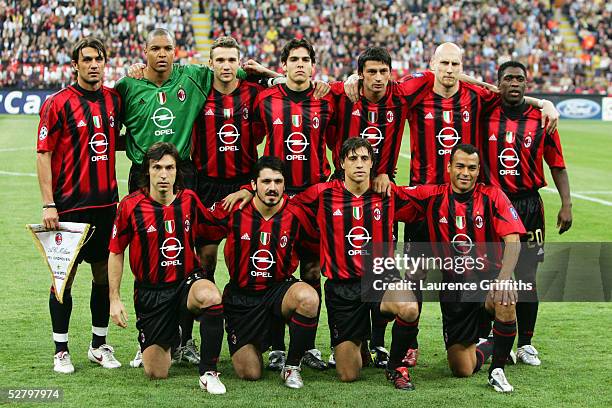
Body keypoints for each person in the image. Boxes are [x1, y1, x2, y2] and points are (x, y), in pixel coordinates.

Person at [327, 46, 435, 367]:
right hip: (344, 191)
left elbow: (447, 74)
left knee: (379, 264)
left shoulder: (401, 94)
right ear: (360, 74)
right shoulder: (344, 94)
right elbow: (301, 84)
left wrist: (539, 101)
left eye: (383, 71)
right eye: (370, 72)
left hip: (382, 192)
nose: (377, 78)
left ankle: (379, 343)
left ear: (391, 73)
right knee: (348, 263)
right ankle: (355, 340)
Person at [289, 138, 423, 390]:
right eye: (352, 159)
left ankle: (395, 367)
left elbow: (428, 199)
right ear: (341, 163)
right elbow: (286, 206)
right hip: (342, 288)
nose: (359, 164)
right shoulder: (323, 194)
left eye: (364, 158)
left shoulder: (387, 193)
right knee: (348, 374)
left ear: (372, 163)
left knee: (408, 306)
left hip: (380, 280)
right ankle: (359, 343)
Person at [396, 143, 526, 393]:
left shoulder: (493, 196)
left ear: (478, 171)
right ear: (449, 168)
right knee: (461, 369)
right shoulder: (432, 196)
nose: (465, 172)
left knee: (506, 297)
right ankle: (494, 344)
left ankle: (497, 369)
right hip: (454, 289)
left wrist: (504, 278)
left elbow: (513, 239)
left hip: (487, 280)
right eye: (460, 166)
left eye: (471, 168)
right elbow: (393, 195)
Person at [108, 142, 226, 394]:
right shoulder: (130, 206)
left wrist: (248, 193)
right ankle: (172, 333)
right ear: (147, 171)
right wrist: (114, 299)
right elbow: (116, 251)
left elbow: (216, 227)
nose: (163, 174)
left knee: (212, 296)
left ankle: (208, 372)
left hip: (186, 283)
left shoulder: (189, 200)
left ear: (177, 171)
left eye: (169, 167)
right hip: (152, 293)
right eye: (157, 167)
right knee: (156, 372)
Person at [36, 37, 122, 374]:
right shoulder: (58, 103)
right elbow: (43, 154)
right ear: (75, 64)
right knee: (64, 278)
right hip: (69, 208)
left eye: (98, 59)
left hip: (106, 206)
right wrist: (48, 204)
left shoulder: (114, 100)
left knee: (103, 276)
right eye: (86, 59)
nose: (93, 65)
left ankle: (98, 346)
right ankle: (61, 350)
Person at [481, 61, 572, 366]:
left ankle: (526, 344)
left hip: (528, 205)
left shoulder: (541, 119)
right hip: (493, 204)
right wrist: (545, 100)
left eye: (520, 78)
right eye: (508, 79)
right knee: (488, 273)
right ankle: (489, 337)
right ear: (498, 83)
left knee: (527, 277)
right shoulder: (485, 112)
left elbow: (556, 163)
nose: (515, 83)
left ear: (526, 83)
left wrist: (566, 204)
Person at [200, 156, 320, 389]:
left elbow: (318, 242)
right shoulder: (235, 207)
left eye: (278, 181)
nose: (272, 187)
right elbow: (200, 223)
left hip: (278, 291)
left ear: (285, 184)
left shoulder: (296, 213)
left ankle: (292, 366)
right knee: (250, 373)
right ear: (253, 184)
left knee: (308, 298)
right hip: (242, 298)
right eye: (266, 181)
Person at [251, 38, 335, 371]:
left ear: (313, 65)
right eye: (294, 59)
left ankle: (309, 346)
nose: (300, 64)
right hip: (278, 197)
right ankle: (275, 345)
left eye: (306, 59)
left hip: (313, 197)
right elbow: (253, 139)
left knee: (312, 270)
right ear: (283, 65)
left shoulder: (326, 100)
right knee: (275, 268)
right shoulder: (266, 99)